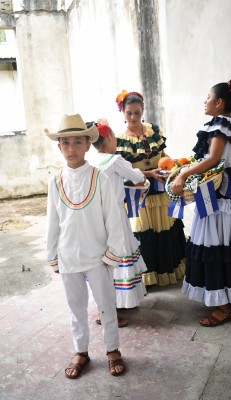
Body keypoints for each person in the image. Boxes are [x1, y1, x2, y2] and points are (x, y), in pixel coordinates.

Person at [171, 79, 231, 326]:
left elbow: (213, 159)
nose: (205, 101)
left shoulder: (220, 125)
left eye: (208, 97)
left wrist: (183, 174)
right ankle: (230, 295)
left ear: (219, 102)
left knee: (216, 243)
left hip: (220, 191)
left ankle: (223, 307)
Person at [44, 113, 126, 378]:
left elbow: (112, 218)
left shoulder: (98, 177)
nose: (71, 148)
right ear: (59, 147)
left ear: (88, 145)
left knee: (106, 304)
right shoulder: (55, 181)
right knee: (76, 306)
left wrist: (113, 253)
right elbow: (53, 221)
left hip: (98, 256)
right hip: (68, 256)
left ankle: (112, 348)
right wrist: (52, 254)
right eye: (65, 143)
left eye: (77, 142)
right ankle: (81, 350)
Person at [115, 90, 186, 287]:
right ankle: (147, 278)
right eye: (129, 113)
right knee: (144, 234)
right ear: (123, 112)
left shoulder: (153, 131)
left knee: (164, 229)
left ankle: (167, 272)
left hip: (160, 191)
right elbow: (122, 171)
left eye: (137, 113)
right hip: (138, 195)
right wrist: (149, 174)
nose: (133, 118)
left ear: (142, 110)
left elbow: (164, 155)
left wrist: (171, 168)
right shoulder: (120, 140)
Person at [90, 119, 147, 320]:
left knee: (104, 259)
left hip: (96, 218)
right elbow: (136, 177)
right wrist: (143, 174)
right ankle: (113, 309)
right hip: (114, 217)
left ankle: (104, 304)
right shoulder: (115, 160)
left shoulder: (91, 162)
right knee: (119, 255)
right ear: (111, 138)